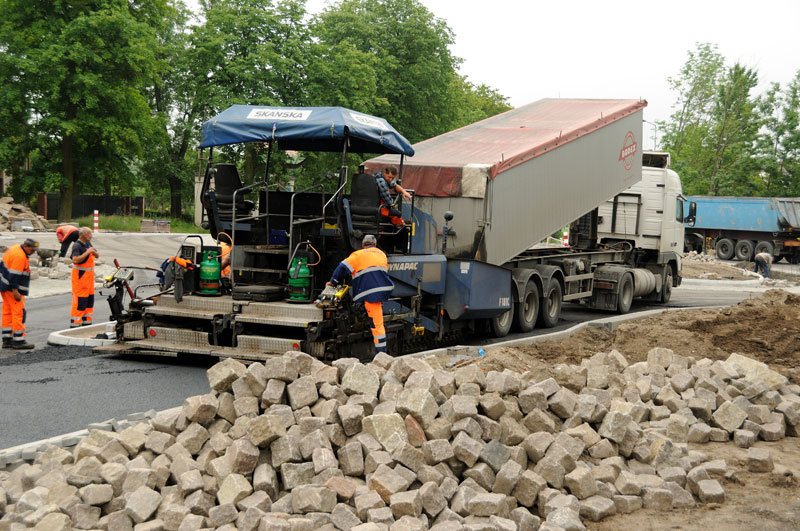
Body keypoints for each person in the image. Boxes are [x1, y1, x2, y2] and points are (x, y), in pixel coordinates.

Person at [327, 234, 394, 355]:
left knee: (377, 326)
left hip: (369, 292)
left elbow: (341, 268)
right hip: (384, 290)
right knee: (378, 323)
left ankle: (381, 354)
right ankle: (382, 354)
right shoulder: (382, 254)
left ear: (363, 245)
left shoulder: (358, 255)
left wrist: (333, 282)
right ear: (375, 245)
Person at [0, 238, 39, 349]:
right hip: (12, 288)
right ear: (26, 246)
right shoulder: (20, 256)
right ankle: (19, 341)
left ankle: (7, 339)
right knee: (19, 312)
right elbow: (15, 275)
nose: (33, 252)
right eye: (32, 250)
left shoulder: (15, 248)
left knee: (7, 312)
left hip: (4, 285)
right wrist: (15, 291)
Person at [70, 228, 99, 328]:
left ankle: (86, 326)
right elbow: (75, 260)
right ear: (84, 235)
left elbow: (97, 255)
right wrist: (87, 252)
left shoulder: (88, 244)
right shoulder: (77, 245)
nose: (91, 236)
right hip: (80, 281)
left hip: (89, 282)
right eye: (90, 234)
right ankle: (75, 326)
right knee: (79, 304)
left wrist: (94, 252)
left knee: (89, 304)